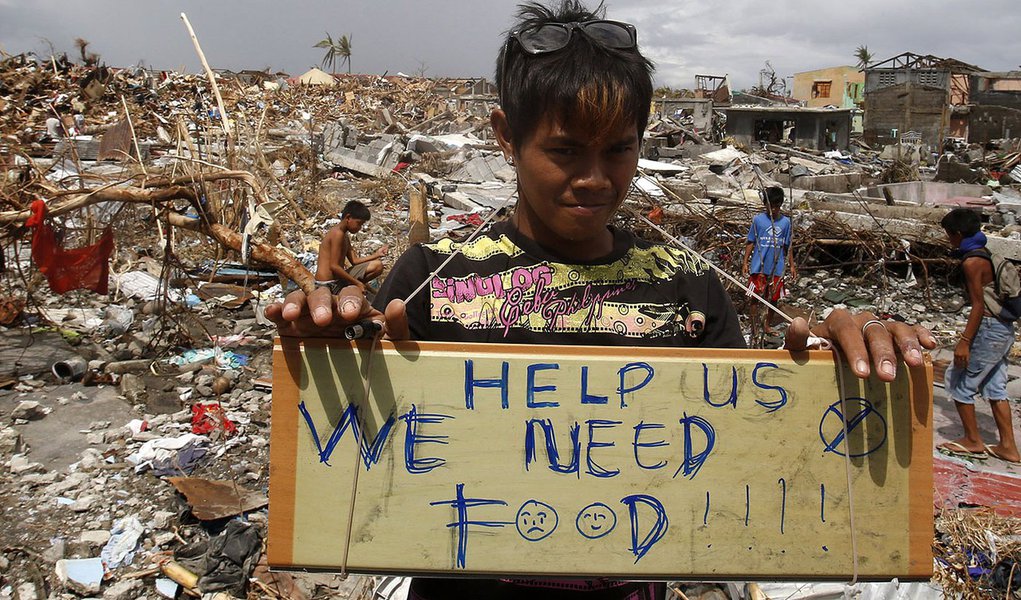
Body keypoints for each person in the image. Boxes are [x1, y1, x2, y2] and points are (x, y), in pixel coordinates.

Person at [269, 1, 936, 596]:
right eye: (563, 150)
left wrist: (833, 378)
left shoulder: (690, 287)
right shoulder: (431, 280)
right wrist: (328, 363)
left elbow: (743, 465)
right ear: (506, 136)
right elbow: (368, 461)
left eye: (618, 151)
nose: (593, 179)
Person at [939, 208, 1020, 463]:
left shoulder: (972, 262)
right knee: (995, 386)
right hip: (1004, 329)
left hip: (988, 329)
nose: (949, 239)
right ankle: (1008, 446)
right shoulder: (986, 253)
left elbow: (978, 306)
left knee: (959, 380)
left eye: (949, 235)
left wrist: (964, 342)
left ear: (958, 234)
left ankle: (973, 440)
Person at [742, 186, 795, 341]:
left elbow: (788, 246)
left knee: (773, 298)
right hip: (759, 266)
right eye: (771, 206)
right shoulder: (758, 220)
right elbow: (750, 241)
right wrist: (745, 262)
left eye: (777, 206)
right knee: (754, 296)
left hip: (776, 268)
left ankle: (766, 325)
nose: (774, 210)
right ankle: (753, 327)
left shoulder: (785, 223)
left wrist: (791, 265)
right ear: (765, 204)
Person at [315, 200, 388, 294]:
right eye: (359, 223)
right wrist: (356, 282)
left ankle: (356, 287)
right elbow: (334, 266)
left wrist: (377, 254)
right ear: (348, 218)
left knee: (377, 265)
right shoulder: (337, 234)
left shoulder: (344, 235)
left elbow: (354, 260)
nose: (360, 228)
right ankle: (355, 288)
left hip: (338, 281)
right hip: (327, 284)